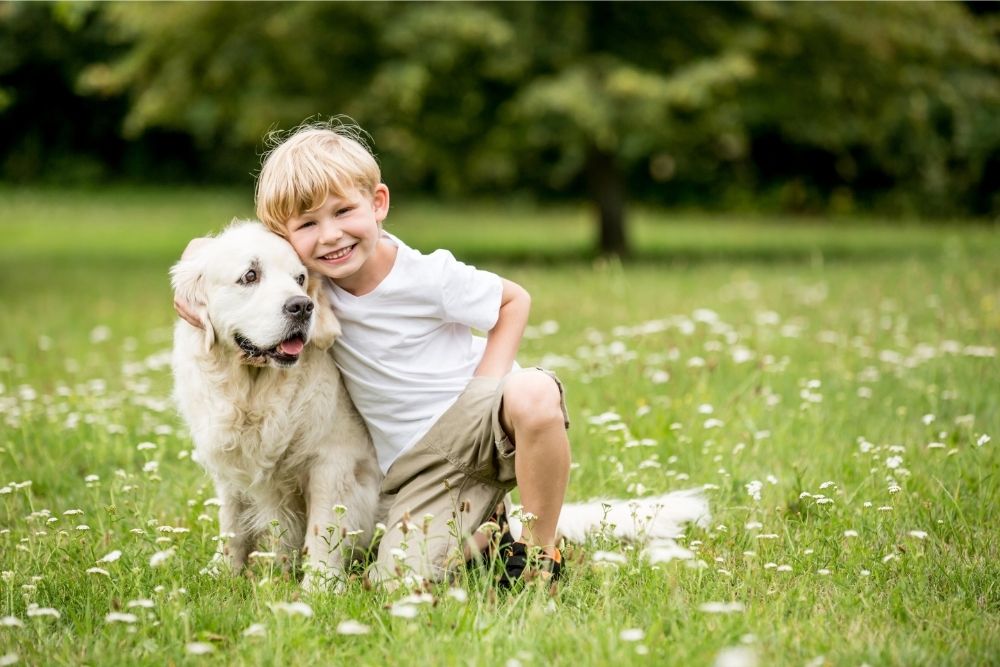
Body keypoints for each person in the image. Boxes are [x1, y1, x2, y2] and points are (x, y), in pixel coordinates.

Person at [174, 120, 571, 588]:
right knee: (394, 583)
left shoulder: (426, 274)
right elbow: (227, 258)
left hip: (479, 418)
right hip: (417, 467)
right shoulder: (314, 288)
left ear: (378, 202)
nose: (330, 236)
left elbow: (514, 300)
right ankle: (486, 532)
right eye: (308, 225)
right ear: (286, 238)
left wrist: (484, 389)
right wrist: (192, 273)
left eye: (343, 212)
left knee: (534, 392)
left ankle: (540, 552)